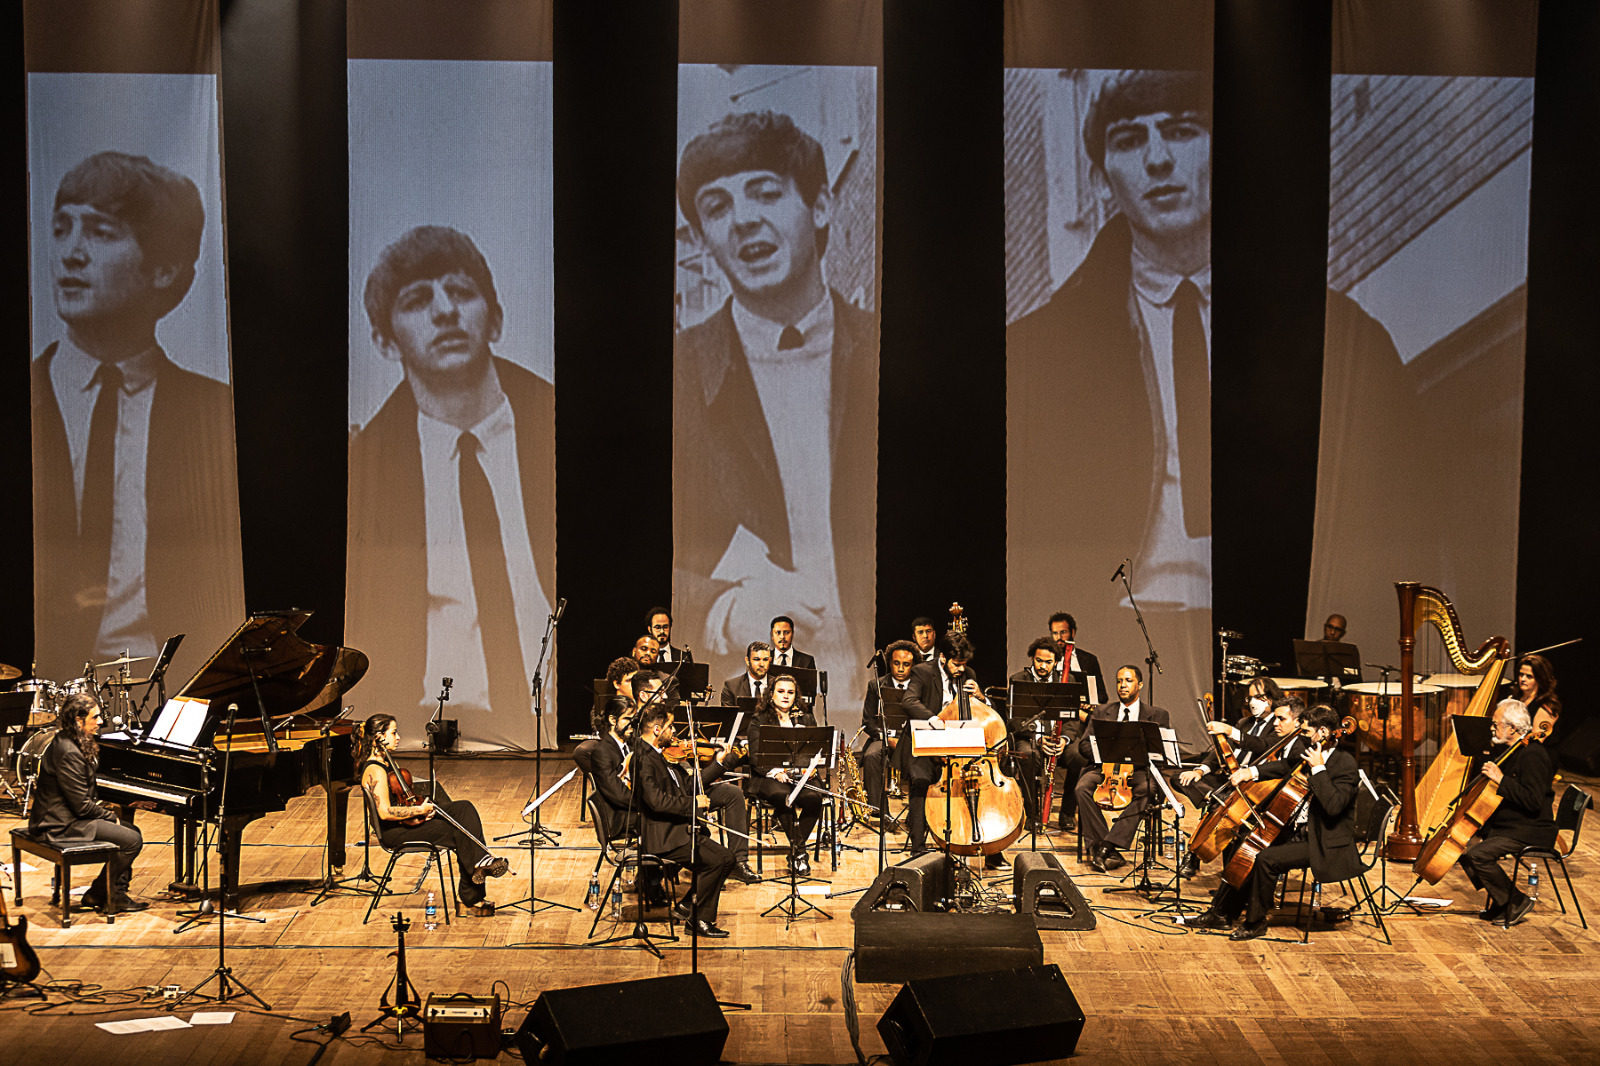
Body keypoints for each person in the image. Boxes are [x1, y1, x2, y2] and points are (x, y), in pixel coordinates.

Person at [672, 110, 876, 700]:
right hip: (758, 709)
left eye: (765, 192)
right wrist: (725, 609)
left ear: (821, 206)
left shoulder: (886, 354)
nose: (742, 219)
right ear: (704, 239)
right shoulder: (676, 376)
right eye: (716, 206)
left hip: (886, 712)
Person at [32, 150, 243, 678]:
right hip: (43, 696)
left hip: (174, 692)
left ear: (164, 268)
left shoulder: (215, 414)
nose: (70, 254)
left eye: (101, 232)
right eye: (61, 228)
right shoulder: (23, 402)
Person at [1008, 72, 1213, 611]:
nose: (1158, 159)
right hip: (1113, 634)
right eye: (1129, 140)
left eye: (1181, 130)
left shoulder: (1351, 341)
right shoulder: (1039, 357)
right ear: (1101, 180)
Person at [346, 225, 554, 725]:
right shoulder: (368, 463)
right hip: (430, 723)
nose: (445, 311)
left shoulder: (555, 420)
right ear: (383, 340)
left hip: (553, 713)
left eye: (461, 292)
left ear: (496, 319)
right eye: (417, 300)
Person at [1201, 703, 1361, 941]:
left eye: (1306, 732)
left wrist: (1318, 769)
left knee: (1266, 859)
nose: (1302, 738)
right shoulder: (1310, 753)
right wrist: (1251, 772)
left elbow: (1334, 806)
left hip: (1324, 841)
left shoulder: (1344, 763)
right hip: (1298, 831)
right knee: (1243, 842)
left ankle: (1255, 922)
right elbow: (1285, 765)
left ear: (1324, 732)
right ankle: (1222, 913)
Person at [359, 714, 508, 913]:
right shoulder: (375, 770)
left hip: (406, 822)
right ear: (379, 737)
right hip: (395, 832)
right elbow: (385, 813)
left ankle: (479, 866)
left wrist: (419, 810)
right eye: (393, 733)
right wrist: (419, 810)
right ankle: (472, 896)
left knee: (463, 808)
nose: (398, 737)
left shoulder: (384, 763)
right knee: (458, 831)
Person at [29, 693, 150, 913]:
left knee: (132, 831)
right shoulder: (68, 752)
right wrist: (109, 816)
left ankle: (116, 893)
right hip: (58, 824)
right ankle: (98, 893)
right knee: (131, 840)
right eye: (95, 717)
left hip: (68, 816)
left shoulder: (70, 740)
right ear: (78, 720)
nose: (101, 722)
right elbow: (82, 806)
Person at [900, 632, 1012, 868]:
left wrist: (981, 696)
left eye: (964, 664)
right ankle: (918, 848)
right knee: (920, 780)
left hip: (962, 747)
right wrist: (935, 720)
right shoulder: (922, 672)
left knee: (980, 784)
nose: (961, 670)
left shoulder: (968, 674)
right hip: (929, 743)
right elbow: (909, 701)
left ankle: (989, 847)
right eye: (956, 664)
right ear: (943, 658)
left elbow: (982, 712)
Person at [633, 698, 737, 937]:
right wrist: (693, 804)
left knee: (724, 859)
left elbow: (687, 784)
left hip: (678, 830)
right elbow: (655, 801)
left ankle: (690, 908)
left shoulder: (658, 754)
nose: (674, 732)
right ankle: (698, 919)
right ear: (657, 730)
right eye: (670, 727)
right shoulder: (643, 758)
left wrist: (718, 765)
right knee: (721, 859)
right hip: (664, 837)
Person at [1457, 699, 1556, 926]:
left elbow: (1532, 801)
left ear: (1512, 728)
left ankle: (1516, 900)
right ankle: (1501, 902)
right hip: (1512, 825)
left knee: (1478, 856)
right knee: (1465, 854)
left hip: (1532, 829)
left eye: (1496, 724)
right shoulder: (1512, 751)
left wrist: (1500, 779)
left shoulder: (1533, 754)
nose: (1492, 728)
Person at [1075, 665, 1172, 872]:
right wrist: (1103, 757)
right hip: (1104, 769)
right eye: (1119, 681)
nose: (1122, 685)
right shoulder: (1102, 711)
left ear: (1140, 684)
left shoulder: (1157, 715)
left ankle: (1107, 846)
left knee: (1147, 790)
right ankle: (1103, 847)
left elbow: (1161, 754)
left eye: (1128, 681)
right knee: (1081, 788)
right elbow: (1084, 745)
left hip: (1137, 770)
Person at [746, 674, 826, 876]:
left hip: (801, 775)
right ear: (771, 694)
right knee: (784, 798)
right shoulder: (759, 719)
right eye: (780, 692)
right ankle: (799, 852)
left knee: (814, 798)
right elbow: (755, 756)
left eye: (790, 693)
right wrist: (776, 772)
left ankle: (795, 851)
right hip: (769, 776)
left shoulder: (806, 718)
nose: (785, 696)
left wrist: (807, 768)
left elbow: (815, 750)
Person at [1008, 638, 1073, 832]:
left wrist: (1064, 739)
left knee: (1079, 756)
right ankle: (1032, 814)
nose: (1043, 666)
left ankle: (1067, 813)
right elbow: (1013, 719)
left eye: (1048, 662)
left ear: (1056, 662)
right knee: (1029, 755)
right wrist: (1037, 737)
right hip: (1030, 737)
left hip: (1058, 738)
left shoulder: (1066, 681)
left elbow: (1073, 719)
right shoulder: (1018, 679)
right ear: (1032, 658)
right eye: (1038, 660)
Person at [860, 640, 918, 823]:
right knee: (871, 756)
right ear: (889, 663)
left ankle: (916, 814)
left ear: (914, 666)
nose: (901, 669)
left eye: (906, 664)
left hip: (912, 738)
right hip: (883, 737)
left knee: (926, 760)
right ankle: (879, 811)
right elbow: (868, 721)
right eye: (896, 663)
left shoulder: (921, 686)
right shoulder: (875, 685)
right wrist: (886, 737)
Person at [1048, 613, 1107, 705]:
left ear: (1073, 632)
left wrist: (1091, 704)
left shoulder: (1089, 660)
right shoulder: (1046, 660)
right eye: (1055, 633)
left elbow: (1102, 695)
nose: (1059, 638)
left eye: (1063, 632)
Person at [1516, 654, 1563, 741]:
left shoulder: (1547, 707)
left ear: (1540, 678)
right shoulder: (1516, 699)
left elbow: (1536, 741)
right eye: (1521, 674)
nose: (1523, 679)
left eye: (1529, 676)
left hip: (1535, 753)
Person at [720, 641, 776, 705]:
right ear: (747, 661)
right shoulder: (731, 687)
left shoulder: (778, 685)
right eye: (757, 659)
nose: (762, 664)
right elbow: (728, 715)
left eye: (765, 660)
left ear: (770, 660)